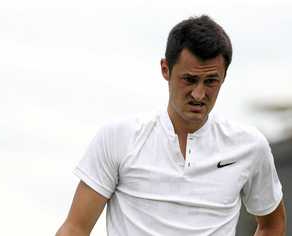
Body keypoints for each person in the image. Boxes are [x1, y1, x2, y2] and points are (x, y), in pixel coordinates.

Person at [56, 15, 286, 236]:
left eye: (211, 81)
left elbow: (272, 225)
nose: (199, 94)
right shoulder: (118, 137)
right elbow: (75, 228)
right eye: (189, 79)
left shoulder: (250, 146)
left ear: (224, 76)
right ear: (165, 69)